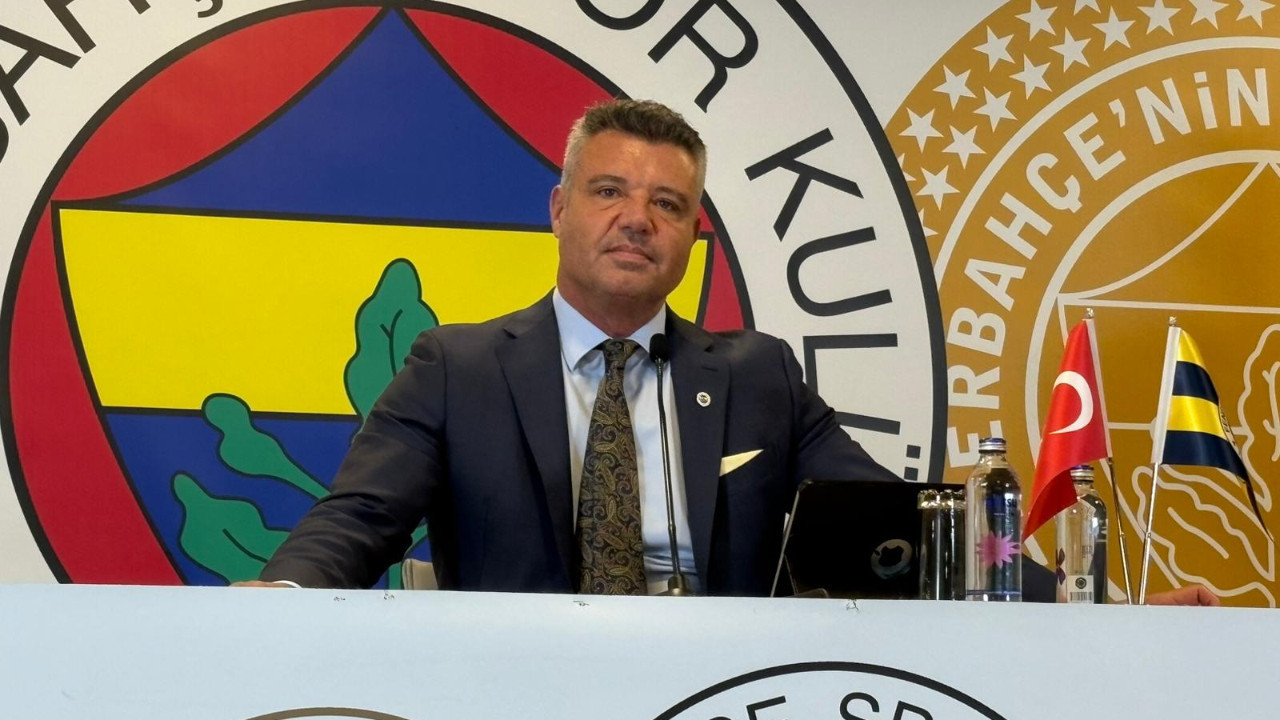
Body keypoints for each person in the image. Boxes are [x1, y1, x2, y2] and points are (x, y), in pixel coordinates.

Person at [236, 99, 1217, 606]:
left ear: (692, 236)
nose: (636, 219)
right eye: (609, 192)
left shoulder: (757, 378)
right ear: (558, 210)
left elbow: (915, 529)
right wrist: (278, 598)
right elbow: (358, 519)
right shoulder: (456, 369)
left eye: (666, 204)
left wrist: (1078, 606)